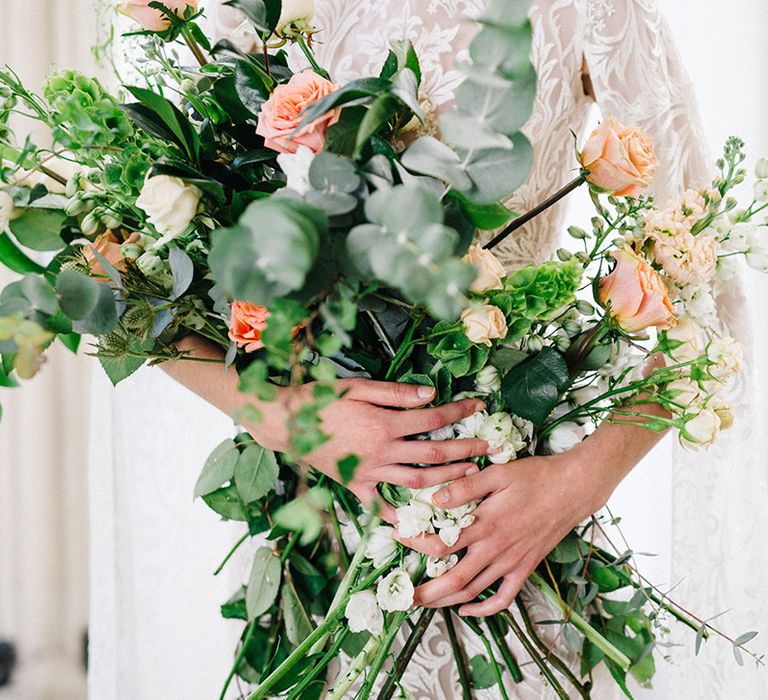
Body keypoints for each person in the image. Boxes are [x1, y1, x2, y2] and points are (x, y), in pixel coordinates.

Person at [91, 1, 742, 697]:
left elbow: (708, 289)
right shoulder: (243, 13)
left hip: (503, 530)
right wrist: (275, 411)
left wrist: (577, 483)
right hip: (318, 530)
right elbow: (110, 281)